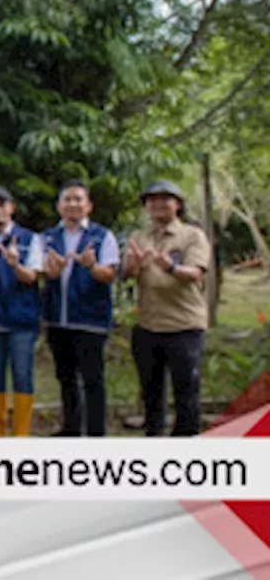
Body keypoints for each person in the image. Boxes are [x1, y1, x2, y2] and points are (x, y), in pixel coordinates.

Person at [123, 181, 211, 437]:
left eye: (165, 198)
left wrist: (170, 267)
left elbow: (195, 272)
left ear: (178, 204)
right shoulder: (139, 237)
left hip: (184, 326)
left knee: (186, 395)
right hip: (148, 326)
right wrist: (133, 266)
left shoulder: (192, 235)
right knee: (151, 394)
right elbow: (128, 274)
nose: (158, 204)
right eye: (152, 199)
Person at [42, 180, 120, 437]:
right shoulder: (48, 237)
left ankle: (97, 434)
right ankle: (71, 429)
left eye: (78, 199)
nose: (73, 204)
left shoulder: (102, 236)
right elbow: (41, 272)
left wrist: (90, 266)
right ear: (59, 206)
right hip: (57, 319)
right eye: (68, 199)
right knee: (65, 379)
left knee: (92, 380)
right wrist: (50, 272)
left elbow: (109, 274)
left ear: (88, 206)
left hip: (91, 320)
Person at [0, 187, 44, 437]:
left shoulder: (30, 239)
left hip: (22, 320)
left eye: (1, 205)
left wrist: (16, 265)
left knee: (22, 375)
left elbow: (32, 277)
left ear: (11, 208)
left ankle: (21, 432)